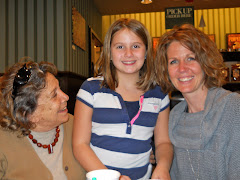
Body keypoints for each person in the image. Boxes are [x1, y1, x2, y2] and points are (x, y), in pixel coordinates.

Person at [73, 18, 173, 180]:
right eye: (120, 46)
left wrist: (162, 167)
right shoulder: (90, 89)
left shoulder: (159, 95)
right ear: (109, 52)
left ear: (146, 51)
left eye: (136, 46)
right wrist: (112, 177)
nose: (128, 53)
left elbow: (163, 142)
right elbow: (80, 145)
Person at [155, 24, 240, 180]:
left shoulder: (233, 108)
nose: (182, 68)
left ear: (205, 61)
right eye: (173, 61)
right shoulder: (174, 117)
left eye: (190, 58)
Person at [0, 60, 86, 180]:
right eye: (54, 95)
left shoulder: (77, 125)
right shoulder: (3, 143)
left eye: (59, 88)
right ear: (30, 114)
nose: (66, 97)